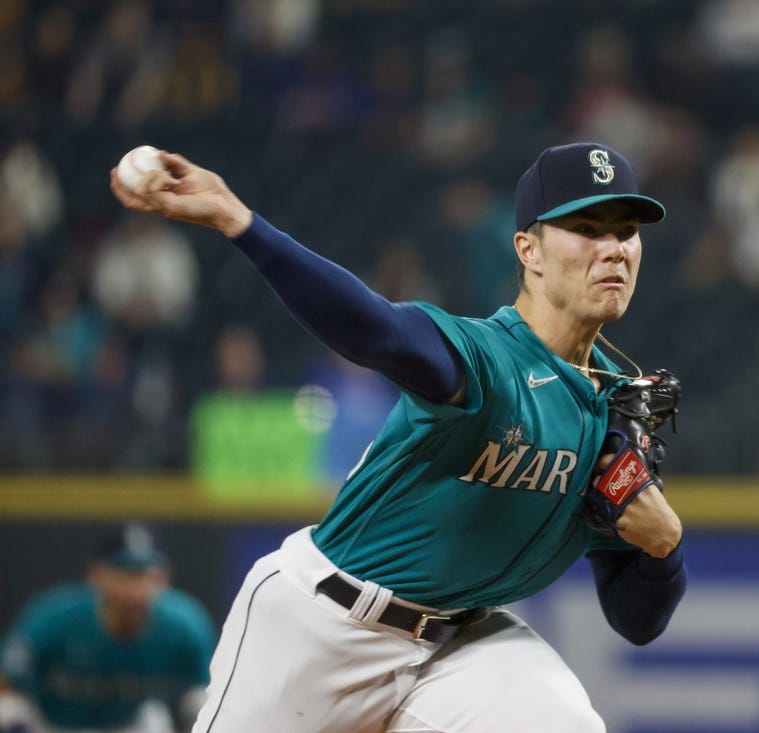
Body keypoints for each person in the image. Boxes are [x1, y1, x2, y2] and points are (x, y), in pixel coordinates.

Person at [109, 142, 688, 732]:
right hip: (325, 625)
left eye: (627, 231)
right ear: (528, 250)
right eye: (586, 228)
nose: (614, 248)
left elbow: (637, 619)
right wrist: (241, 222)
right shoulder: (487, 359)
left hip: (460, 646)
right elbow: (375, 330)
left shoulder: (617, 412)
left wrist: (662, 546)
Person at [0, 522, 217, 733]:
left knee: (156, 717)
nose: (137, 590)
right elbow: (7, 683)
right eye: (126, 574)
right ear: (97, 573)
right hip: (55, 725)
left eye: (149, 576)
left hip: (130, 725)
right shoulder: (55, 618)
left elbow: (203, 693)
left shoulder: (185, 625)